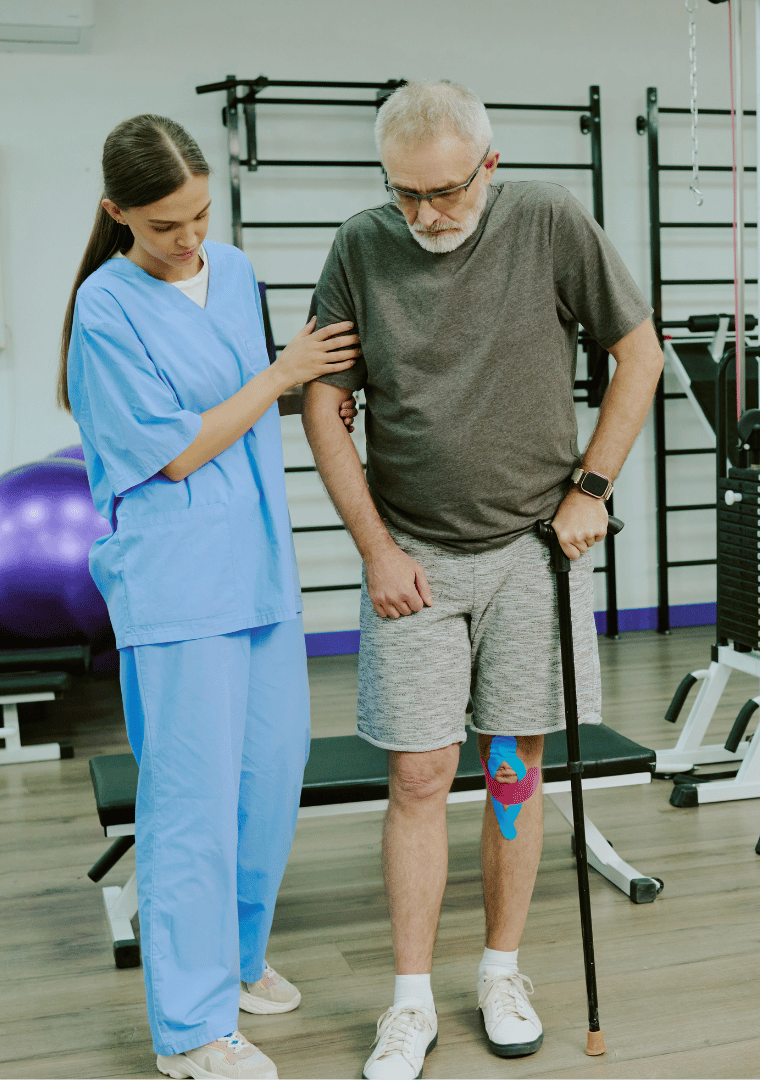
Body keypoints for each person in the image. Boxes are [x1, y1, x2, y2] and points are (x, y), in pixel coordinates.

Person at [302, 81, 663, 1080]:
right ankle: (409, 999)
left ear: (490, 166)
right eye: (405, 192)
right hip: (414, 556)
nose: (425, 213)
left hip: (529, 554)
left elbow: (639, 353)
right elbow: (324, 405)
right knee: (418, 775)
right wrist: (376, 550)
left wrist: (593, 487)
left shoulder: (547, 220)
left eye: (447, 191)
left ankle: (501, 972)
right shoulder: (360, 246)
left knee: (513, 766)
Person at [59, 114, 360, 1080]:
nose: (189, 238)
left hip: (259, 564)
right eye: (164, 224)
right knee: (189, 804)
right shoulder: (104, 309)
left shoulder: (232, 272)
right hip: (179, 579)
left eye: (199, 215)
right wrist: (285, 373)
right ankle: (189, 1029)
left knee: (269, 776)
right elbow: (179, 450)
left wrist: (311, 385)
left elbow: (251, 403)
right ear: (117, 213)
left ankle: (234, 960)